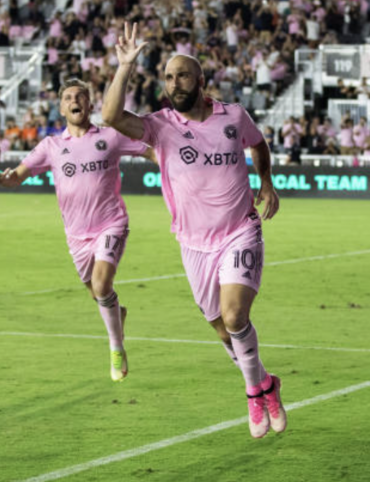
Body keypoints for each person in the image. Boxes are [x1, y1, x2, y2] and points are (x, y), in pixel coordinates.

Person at [102, 23, 286, 438]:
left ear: (201, 80)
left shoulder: (233, 116)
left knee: (236, 316)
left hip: (240, 230)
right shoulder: (159, 125)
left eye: (182, 75)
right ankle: (267, 383)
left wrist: (266, 181)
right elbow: (111, 116)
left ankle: (253, 394)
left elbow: (258, 144)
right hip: (193, 243)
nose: (174, 83)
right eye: (168, 77)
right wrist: (125, 66)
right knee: (221, 328)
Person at [0, 79, 151, 382]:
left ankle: (116, 347)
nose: (75, 101)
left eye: (81, 96)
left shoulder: (111, 136)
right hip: (76, 235)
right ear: (61, 108)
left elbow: (151, 151)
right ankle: (118, 313)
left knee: (101, 285)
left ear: (90, 104)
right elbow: (18, 176)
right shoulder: (51, 146)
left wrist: (180, 169)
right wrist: (3, 179)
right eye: (69, 97)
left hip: (111, 223)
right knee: (97, 292)